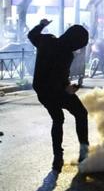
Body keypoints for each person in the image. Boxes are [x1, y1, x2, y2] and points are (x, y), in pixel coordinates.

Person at [27, 19, 89, 173]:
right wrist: (68, 89)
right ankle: (84, 152)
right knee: (81, 113)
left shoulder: (47, 40)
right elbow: (57, 79)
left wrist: (41, 24)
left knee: (58, 119)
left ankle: (57, 157)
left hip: (42, 91)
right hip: (55, 91)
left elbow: (31, 35)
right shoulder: (66, 54)